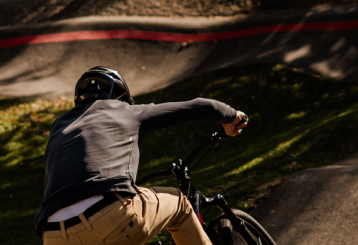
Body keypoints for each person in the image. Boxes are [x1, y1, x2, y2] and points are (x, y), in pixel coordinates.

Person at [36, 67, 248, 245]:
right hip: (110, 216)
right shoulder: (124, 111)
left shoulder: (60, 128)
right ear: (122, 98)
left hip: (53, 234)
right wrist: (232, 117)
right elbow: (201, 107)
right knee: (180, 204)